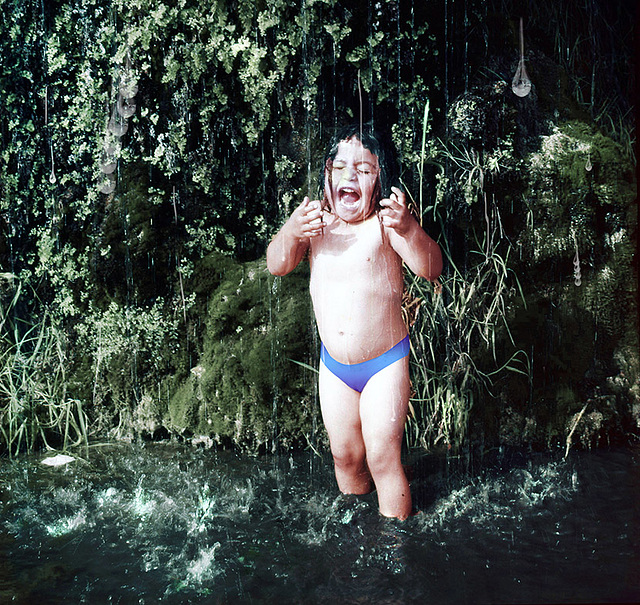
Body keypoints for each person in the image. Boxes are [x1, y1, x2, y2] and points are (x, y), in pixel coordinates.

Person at [267, 124, 442, 520]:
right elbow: (277, 265)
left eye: (363, 169)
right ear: (327, 175)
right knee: (344, 456)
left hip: (385, 364)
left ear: (380, 179)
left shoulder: (385, 227)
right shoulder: (316, 226)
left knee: (382, 457)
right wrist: (291, 231)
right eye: (341, 167)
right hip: (335, 369)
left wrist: (411, 230)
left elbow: (432, 269)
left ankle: (396, 540)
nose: (350, 176)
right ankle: (356, 528)